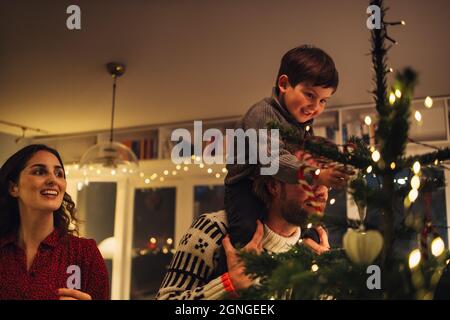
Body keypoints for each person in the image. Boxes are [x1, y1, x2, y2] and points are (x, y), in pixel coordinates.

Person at [224, 45, 351, 254]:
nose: (316, 107)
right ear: (284, 84)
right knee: (246, 233)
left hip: (274, 185)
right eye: (309, 95)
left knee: (306, 225)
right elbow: (273, 160)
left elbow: (307, 155)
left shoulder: (301, 124)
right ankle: (239, 270)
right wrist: (317, 175)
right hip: (245, 183)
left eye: (323, 100)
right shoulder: (262, 114)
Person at [156, 154, 330, 300]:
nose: (322, 192)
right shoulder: (214, 229)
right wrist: (228, 284)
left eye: (326, 182)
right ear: (274, 186)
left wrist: (327, 283)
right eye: (310, 179)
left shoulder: (313, 248)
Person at [0, 144, 109, 300]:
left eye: (59, 173)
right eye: (39, 172)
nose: (53, 180)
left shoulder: (85, 254)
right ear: (13, 188)